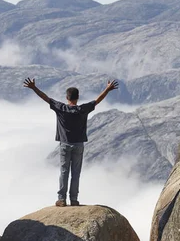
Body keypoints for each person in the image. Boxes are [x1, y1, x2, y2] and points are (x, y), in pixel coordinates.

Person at [23, 78, 119, 207]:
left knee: (64, 171)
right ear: (77, 97)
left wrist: (34, 87)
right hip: (79, 145)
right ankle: (74, 199)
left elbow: (46, 98)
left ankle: (61, 199)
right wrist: (107, 89)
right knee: (76, 173)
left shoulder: (61, 108)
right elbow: (97, 100)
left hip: (65, 145)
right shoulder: (83, 109)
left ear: (67, 97)